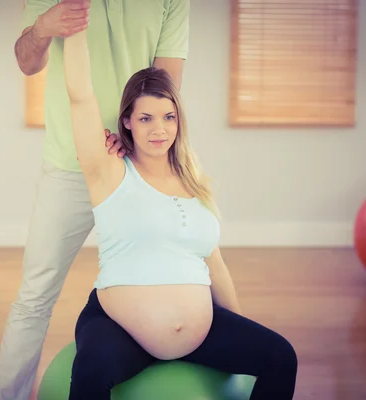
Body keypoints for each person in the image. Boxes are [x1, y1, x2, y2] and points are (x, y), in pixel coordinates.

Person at [61, 4, 299, 399]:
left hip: (199, 332)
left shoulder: (193, 178)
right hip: (121, 330)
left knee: (280, 357)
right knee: (91, 368)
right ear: (126, 122)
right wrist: (72, 27)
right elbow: (79, 95)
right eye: (146, 119)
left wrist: (238, 330)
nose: (159, 130)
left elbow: (215, 263)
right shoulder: (110, 172)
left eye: (168, 117)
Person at [0, 1, 190, 399]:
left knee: (169, 280)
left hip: (137, 162)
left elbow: (165, 82)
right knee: (34, 296)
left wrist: (130, 135)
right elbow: (27, 62)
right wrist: (43, 27)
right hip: (68, 163)